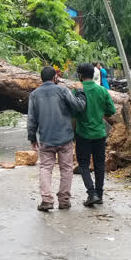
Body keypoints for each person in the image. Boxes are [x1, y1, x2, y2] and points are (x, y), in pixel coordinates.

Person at [27, 66, 86, 211]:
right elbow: (79, 106)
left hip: (46, 138)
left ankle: (47, 200)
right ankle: (64, 200)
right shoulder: (62, 90)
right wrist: (80, 91)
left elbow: (31, 119)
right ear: (55, 77)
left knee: (46, 168)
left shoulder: (34, 94)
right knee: (66, 169)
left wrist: (32, 137)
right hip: (65, 137)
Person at [73, 63, 116, 207]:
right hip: (99, 133)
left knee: (84, 164)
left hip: (83, 134)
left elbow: (73, 112)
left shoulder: (77, 91)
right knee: (99, 165)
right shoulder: (102, 90)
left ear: (80, 75)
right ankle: (100, 194)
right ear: (94, 74)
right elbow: (111, 110)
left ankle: (92, 194)